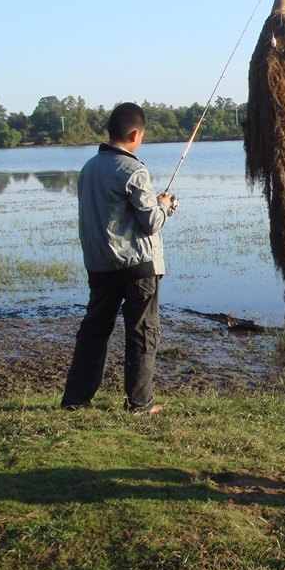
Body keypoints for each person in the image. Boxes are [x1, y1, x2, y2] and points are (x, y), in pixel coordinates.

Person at [61, 102, 178, 414]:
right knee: (142, 333)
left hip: (100, 266)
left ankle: (76, 399)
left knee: (94, 332)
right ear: (135, 133)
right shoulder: (134, 170)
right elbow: (150, 221)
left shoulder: (88, 169)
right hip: (138, 267)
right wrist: (165, 205)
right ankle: (140, 404)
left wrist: (155, 204)